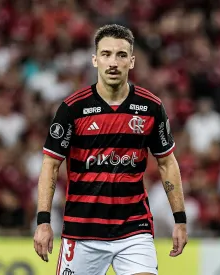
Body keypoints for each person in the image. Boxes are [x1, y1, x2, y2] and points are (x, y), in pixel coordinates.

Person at [33, 24, 188, 275]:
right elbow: (50, 165)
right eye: (106, 54)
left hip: (133, 230)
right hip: (82, 231)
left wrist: (179, 220)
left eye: (121, 55)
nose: (113, 62)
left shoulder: (151, 107)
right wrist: (43, 222)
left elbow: (167, 162)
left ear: (132, 61)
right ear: (95, 60)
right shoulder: (72, 109)